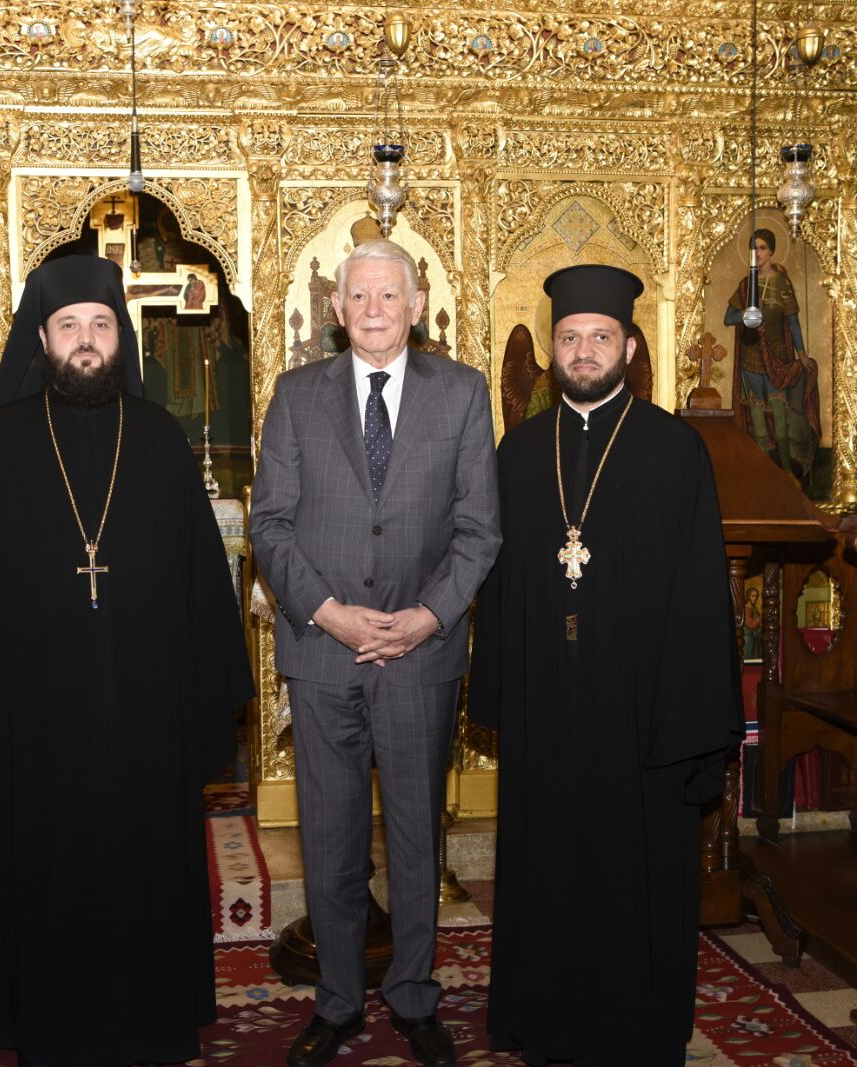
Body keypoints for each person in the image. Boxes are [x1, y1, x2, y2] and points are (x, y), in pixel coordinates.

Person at [0, 254, 252, 1066]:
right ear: (41, 339)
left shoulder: (161, 441)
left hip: (146, 725)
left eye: (101, 325)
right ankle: (47, 1022)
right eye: (69, 325)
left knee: (145, 869)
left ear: (120, 339)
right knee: (46, 875)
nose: (86, 340)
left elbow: (205, 589)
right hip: (32, 729)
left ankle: (151, 1018)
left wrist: (205, 706)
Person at [469, 264, 742, 1066]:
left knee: (636, 873)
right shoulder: (519, 454)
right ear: (551, 350)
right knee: (547, 866)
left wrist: (688, 724)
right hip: (548, 708)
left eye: (599, 336)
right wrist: (502, 693)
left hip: (640, 712)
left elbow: (700, 595)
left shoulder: (675, 451)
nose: (583, 351)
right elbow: (498, 585)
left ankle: (637, 1028)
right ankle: (543, 1020)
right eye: (569, 337)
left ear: (628, 346)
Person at [250, 239, 501, 1067]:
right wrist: (330, 615)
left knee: (417, 837)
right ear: (336, 308)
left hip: (422, 656)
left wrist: (428, 616)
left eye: (390, 294)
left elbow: (480, 529)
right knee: (329, 836)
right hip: (324, 652)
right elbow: (270, 525)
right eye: (359, 295)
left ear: (417, 305)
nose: (374, 309)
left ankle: (416, 996)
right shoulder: (296, 396)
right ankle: (337, 1001)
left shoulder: (463, 393)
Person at [724, 228, 819, 482]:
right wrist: (744, 314)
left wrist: (802, 355)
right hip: (751, 360)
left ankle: (786, 474)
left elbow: (793, 322)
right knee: (758, 424)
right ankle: (763, 476)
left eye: (762, 247)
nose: (757, 253)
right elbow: (728, 318)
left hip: (778, 360)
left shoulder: (782, 283)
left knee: (780, 421)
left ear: (772, 251)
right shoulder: (745, 285)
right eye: (753, 248)